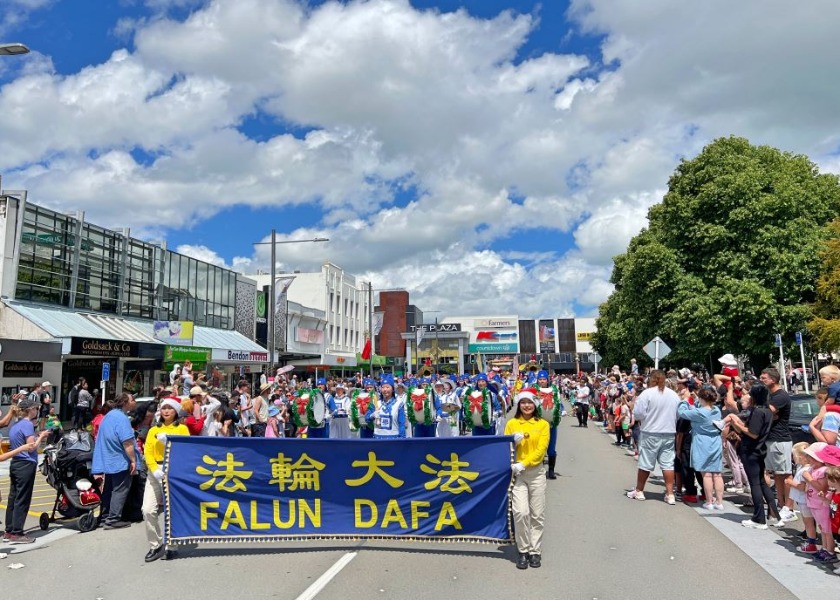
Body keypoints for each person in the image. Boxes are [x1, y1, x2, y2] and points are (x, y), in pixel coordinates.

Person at [723, 383, 779, 529]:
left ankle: (759, 518)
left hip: (751, 450)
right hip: (760, 450)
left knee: (755, 483)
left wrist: (737, 424)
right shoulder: (767, 411)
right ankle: (774, 515)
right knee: (761, 482)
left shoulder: (758, 412)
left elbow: (753, 433)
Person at [505, 388, 549, 569]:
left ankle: (534, 551)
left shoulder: (543, 425)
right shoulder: (512, 423)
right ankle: (522, 550)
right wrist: (511, 442)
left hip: (536, 473)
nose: (527, 406)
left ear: (535, 404)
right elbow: (503, 446)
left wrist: (525, 462)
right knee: (521, 512)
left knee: (537, 514)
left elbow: (541, 450)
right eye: (523, 402)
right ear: (518, 404)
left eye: (530, 402)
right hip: (518, 475)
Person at [142, 397, 189, 562]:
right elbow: (147, 451)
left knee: (172, 511)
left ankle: (172, 545)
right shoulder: (153, 430)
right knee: (147, 509)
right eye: (164, 408)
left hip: (174, 472)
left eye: (170, 408)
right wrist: (154, 468)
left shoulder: (182, 429)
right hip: (155, 472)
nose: (167, 411)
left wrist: (169, 441)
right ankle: (155, 545)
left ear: (176, 411)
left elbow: (186, 450)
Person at [626, 370, 680, 504]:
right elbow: (678, 415)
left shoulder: (647, 393)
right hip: (668, 432)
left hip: (650, 431)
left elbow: (638, 414)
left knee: (645, 463)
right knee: (668, 464)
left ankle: (639, 490)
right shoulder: (673, 395)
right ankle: (670, 493)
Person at [3, 396, 48, 544]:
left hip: (15, 463)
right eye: (35, 408)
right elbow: (31, 447)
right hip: (26, 464)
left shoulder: (16, 425)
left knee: (13, 497)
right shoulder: (28, 425)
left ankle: (9, 530)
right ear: (30, 410)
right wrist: (41, 436)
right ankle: (17, 532)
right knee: (23, 498)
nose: (37, 411)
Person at [92, 393, 139, 530]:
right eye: (132, 399)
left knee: (108, 489)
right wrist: (133, 460)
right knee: (120, 489)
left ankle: (105, 516)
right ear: (125, 402)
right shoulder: (122, 418)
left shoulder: (109, 416)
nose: (134, 402)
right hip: (119, 459)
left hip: (107, 458)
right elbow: (127, 442)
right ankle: (113, 519)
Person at [678, 386, 724, 509]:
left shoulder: (700, 412)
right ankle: (719, 502)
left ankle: (709, 502)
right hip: (715, 441)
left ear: (702, 398)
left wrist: (685, 400)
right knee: (717, 474)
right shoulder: (717, 410)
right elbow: (700, 409)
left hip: (702, 442)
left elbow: (682, 412)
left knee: (707, 474)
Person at [759, 368, 793, 520]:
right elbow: (767, 413)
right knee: (777, 475)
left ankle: (789, 507)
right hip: (771, 438)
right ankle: (780, 503)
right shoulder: (770, 395)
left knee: (786, 475)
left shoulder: (780, 396)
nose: (761, 379)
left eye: (764, 377)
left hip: (780, 439)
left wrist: (766, 412)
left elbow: (767, 413)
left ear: (773, 379)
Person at [534, 370, 561, 479]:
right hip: (537, 424)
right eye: (540, 379)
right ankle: (537, 470)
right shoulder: (534, 390)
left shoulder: (554, 390)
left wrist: (561, 410)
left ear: (547, 380)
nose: (542, 381)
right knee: (538, 446)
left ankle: (551, 470)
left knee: (551, 448)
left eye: (544, 379)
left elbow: (558, 402)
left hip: (551, 424)